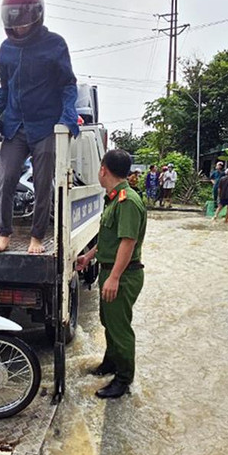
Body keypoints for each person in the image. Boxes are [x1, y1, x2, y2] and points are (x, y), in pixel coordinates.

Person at [0, 0, 79, 254]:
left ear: (38, 16)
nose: (20, 26)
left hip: (45, 126)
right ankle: (4, 234)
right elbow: (5, 87)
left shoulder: (55, 44)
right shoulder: (5, 49)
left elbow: (68, 85)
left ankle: (36, 238)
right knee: (6, 179)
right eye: (15, 21)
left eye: (25, 21)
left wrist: (67, 116)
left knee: (42, 183)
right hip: (15, 126)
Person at [76, 150, 146, 399]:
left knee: (120, 328)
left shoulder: (127, 201)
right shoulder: (115, 199)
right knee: (109, 323)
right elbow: (110, 239)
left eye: (99, 168)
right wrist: (89, 256)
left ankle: (124, 380)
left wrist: (114, 277)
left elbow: (128, 242)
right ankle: (111, 363)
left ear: (104, 169)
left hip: (123, 275)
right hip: (112, 271)